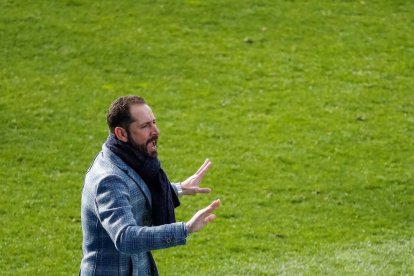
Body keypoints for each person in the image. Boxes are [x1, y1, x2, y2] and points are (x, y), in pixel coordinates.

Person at [80, 95, 220, 276]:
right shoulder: (109, 179)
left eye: (153, 122)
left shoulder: (127, 157)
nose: (155, 131)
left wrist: (178, 189)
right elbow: (126, 238)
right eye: (145, 126)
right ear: (121, 134)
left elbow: (134, 193)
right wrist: (186, 229)